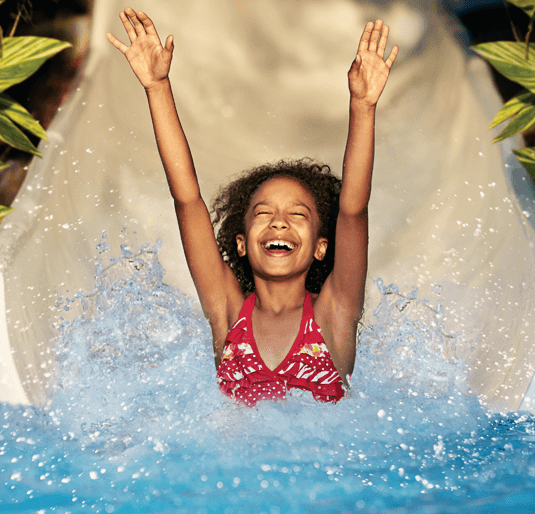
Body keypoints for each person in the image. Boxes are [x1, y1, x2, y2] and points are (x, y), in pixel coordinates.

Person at [107, 7, 398, 406]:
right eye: (264, 214)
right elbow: (187, 198)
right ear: (241, 243)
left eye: (298, 215)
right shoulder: (227, 312)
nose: (279, 224)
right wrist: (157, 88)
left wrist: (363, 108)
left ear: (321, 246)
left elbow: (352, 210)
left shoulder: (335, 314)